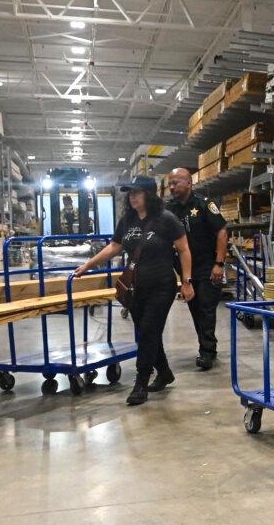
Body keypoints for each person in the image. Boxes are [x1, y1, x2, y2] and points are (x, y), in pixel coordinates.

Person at [74, 176, 194, 406]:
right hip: (136, 287)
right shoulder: (127, 220)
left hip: (161, 286)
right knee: (147, 331)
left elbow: (184, 249)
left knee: (148, 331)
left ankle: (141, 384)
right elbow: (115, 247)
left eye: (136, 193)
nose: (131, 197)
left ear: (148, 195)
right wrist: (89, 265)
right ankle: (165, 372)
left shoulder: (166, 219)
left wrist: (187, 281)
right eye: (129, 193)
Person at [166, 167, 228, 370]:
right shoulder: (170, 209)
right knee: (195, 309)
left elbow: (221, 231)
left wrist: (219, 264)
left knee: (206, 309)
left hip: (207, 267)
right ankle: (207, 347)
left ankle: (207, 352)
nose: (172, 186)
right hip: (186, 271)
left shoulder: (204, 204)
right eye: (170, 183)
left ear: (189, 183)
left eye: (176, 182)